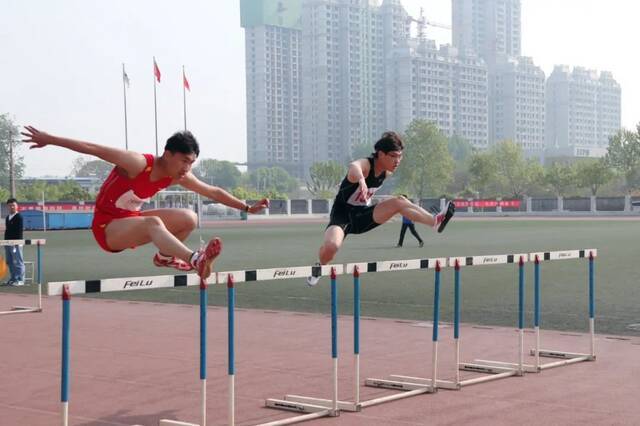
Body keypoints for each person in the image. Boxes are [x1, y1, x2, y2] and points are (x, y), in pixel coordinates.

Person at [21, 126, 269, 280]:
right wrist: (49, 139)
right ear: (168, 154)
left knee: (188, 218)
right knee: (153, 222)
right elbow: (92, 148)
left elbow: (213, 191)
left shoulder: (177, 175)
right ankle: (195, 260)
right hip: (107, 228)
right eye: (184, 161)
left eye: (191, 163)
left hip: (131, 221)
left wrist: (247, 207)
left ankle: (165, 258)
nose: (187, 168)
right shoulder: (137, 163)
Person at [306, 131, 455, 286]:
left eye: (400, 156)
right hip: (342, 216)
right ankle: (319, 266)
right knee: (332, 247)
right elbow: (354, 166)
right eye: (393, 156)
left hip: (363, 216)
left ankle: (435, 221)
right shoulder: (367, 165)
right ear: (380, 154)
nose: (397, 160)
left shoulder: (387, 172)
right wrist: (362, 181)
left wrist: (382, 206)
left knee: (399, 201)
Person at [3, 198, 25, 286]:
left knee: (18, 261)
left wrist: (17, 242)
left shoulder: (19, 217)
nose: (12, 207)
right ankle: (13, 278)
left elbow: (19, 231)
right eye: (10, 205)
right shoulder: (8, 217)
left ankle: (20, 279)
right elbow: (7, 231)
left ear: (17, 206)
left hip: (16, 243)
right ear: (7, 207)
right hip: (8, 243)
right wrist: (5, 242)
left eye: (13, 205)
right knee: (9, 261)